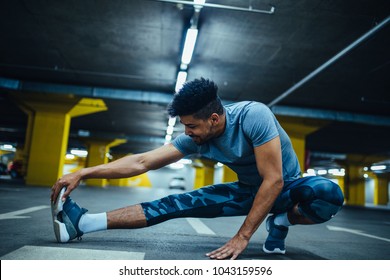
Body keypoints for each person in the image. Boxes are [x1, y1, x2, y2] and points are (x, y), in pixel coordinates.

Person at [50, 78, 344, 260]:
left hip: (288, 187)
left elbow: (275, 180)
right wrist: (83, 172)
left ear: (214, 119)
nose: (188, 132)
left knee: (326, 192)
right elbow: (141, 162)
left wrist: (241, 237)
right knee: (172, 204)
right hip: (249, 192)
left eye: (192, 125)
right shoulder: (196, 138)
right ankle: (83, 223)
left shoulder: (254, 116)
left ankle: (281, 222)